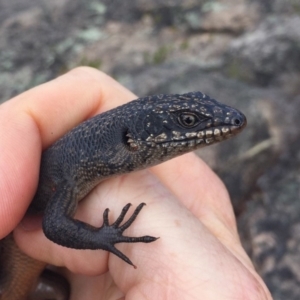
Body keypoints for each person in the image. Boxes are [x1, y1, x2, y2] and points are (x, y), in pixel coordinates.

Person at [0, 67, 272, 299]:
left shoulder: (77, 168)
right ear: (132, 139)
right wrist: (100, 237)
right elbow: (54, 225)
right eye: (188, 121)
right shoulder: (68, 174)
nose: (230, 120)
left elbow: (56, 224)